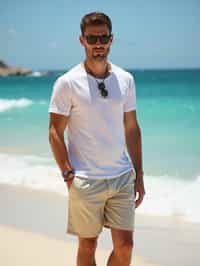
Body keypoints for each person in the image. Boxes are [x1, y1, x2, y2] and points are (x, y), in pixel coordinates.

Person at [48, 11, 145, 266]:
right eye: (92, 39)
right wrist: (68, 174)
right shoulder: (67, 83)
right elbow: (54, 132)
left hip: (122, 176)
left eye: (103, 38)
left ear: (111, 40)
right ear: (82, 41)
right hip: (85, 179)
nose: (98, 44)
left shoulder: (125, 79)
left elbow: (132, 127)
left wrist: (140, 174)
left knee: (125, 247)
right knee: (88, 245)